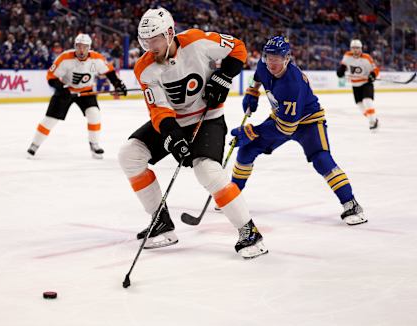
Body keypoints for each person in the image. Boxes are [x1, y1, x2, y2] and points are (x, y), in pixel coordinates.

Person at [117, 8, 267, 259]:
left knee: (206, 170)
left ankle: (249, 231)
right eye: (145, 41)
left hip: (207, 118)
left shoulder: (197, 41)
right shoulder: (145, 68)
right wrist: (173, 137)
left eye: (154, 39)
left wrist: (224, 75)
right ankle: (161, 222)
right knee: (129, 155)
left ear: (169, 33)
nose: (149, 46)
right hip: (175, 121)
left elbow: (238, 47)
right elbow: (158, 111)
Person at [231, 36, 367, 226]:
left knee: (321, 159)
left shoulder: (292, 84)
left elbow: (286, 128)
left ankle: (351, 203)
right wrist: (252, 92)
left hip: (309, 122)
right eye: (268, 57)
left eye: (276, 58)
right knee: (246, 150)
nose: (271, 62)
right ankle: (233, 198)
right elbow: (258, 76)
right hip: (282, 117)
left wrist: (253, 131)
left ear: (287, 59)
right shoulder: (264, 65)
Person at [27, 33, 127, 159]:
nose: (81, 50)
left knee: (94, 114)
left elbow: (109, 72)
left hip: (86, 91)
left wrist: (118, 84)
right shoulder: (64, 58)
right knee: (50, 119)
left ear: (89, 47)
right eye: (79, 46)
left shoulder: (97, 58)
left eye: (84, 47)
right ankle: (35, 145)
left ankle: (94, 144)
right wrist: (62, 88)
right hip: (66, 90)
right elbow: (51, 77)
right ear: (75, 46)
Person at [337, 39, 379, 130]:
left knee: (367, 101)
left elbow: (375, 69)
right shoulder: (347, 56)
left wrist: (373, 75)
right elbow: (343, 65)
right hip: (355, 85)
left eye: (357, 48)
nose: (355, 50)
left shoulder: (366, 57)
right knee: (360, 105)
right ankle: (373, 119)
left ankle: (372, 122)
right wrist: (341, 69)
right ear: (351, 49)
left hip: (366, 83)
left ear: (361, 48)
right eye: (353, 48)